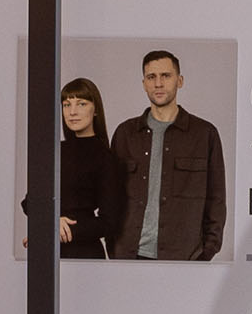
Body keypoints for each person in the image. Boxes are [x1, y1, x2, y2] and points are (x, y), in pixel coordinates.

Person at [110, 51, 227, 261]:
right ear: (144, 84)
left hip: (183, 259)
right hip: (129, 256)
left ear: (179, 81)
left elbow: (216, 199)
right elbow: (111, 198)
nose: (158, 84)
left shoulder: (204, 134)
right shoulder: (125, 134)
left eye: (166, 75)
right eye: (151, 77)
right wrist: (115, 248)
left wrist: (206, 252)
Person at [54, 76, 123, 257]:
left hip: (83, 253)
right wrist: (49, 224)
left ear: (95, 110)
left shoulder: (105, 157)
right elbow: (30, 201)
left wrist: (60, 230)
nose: (72, 112)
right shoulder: (54, 151)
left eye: (81, 104)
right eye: (66, 105)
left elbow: (109, 222)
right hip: (48, 249)